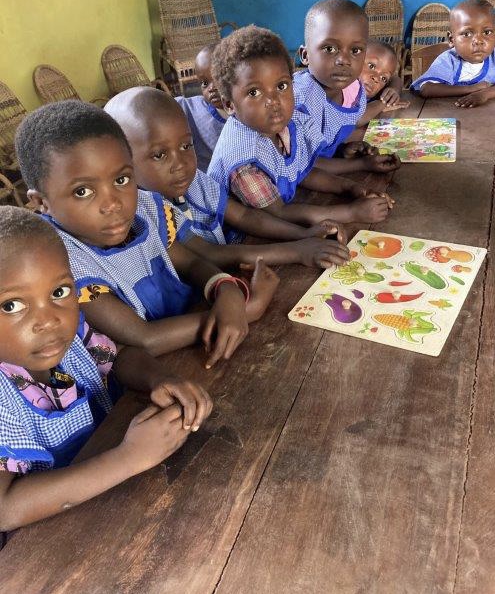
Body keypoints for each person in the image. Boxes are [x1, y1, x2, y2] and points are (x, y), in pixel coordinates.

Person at [15, 101, 277, 369]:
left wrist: (225, 288)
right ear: (41, 203)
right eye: (83, 191)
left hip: (199, 338)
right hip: (158, 374)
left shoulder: (145, 207)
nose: (113, 204)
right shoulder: (59, 261)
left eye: (121, 180)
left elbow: (192, 263)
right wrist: (248, 308)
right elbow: (144, 338)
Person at [0, 206, 212, 532]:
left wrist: (158, 377)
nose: (49, 321)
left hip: (124, 504)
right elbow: (6, 509)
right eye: (11, 305)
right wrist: (128, 458)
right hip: (53, 548)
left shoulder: (72, 339)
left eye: (59, 292)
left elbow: (119, 356)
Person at [104, 86, 351, 270]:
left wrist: (302, 234)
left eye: (186, 146)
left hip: (231, 275)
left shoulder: (195, 182)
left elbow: (244, 215)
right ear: (121, 163)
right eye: (159, 155)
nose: (180, 164)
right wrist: (297, 251)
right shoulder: (142, 210)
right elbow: (209, 254)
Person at [207, 25, 395, 226]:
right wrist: (350, 213)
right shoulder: (244, 162)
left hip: (282, 222)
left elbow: (301, 172)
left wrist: (353, 188)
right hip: (243, 241)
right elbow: (277, 213)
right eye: (254, 92)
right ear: (229, 104)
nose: (274, 101)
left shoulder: (285, 125)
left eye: (281, 86)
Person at [294, 0, 401, 174]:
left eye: (355, 51)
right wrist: (362, 165)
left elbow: (320, 146)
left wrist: (341, 151)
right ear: (305, 55)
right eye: (329, 49)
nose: (344, 60)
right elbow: (300, 166)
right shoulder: (300, 99)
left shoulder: (354, 90)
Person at [411, 0, 495, 107]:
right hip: (450, 113)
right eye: (467, 34)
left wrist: (485, 93)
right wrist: (472, 89)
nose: (478, 41)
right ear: (452, 40)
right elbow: (427, 89)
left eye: (487, 32)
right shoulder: (449, 60)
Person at [175, 43, 227, 171]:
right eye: (204, 83)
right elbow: (164, 105)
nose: (211, 88)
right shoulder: (193, 109)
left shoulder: (250, 115)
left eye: (217, 78)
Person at [357, 41, 409, 126]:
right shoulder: (339, 89)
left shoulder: (364, 93)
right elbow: (355, 119)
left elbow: (396, 79)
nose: (376, 78)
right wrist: (383, 103)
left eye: (383, 78)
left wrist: (393, 91)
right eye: (371, 66)